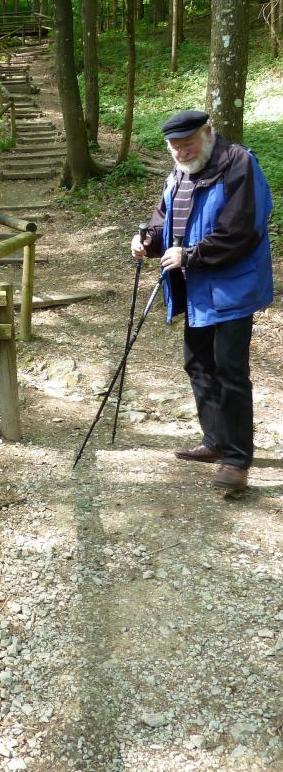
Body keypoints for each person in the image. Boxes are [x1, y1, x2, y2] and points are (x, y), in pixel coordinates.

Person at [131, 110, 274, 498]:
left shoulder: (239, 164)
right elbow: (165, 218)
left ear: (208, 133)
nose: (180, 152)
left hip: (232, 288)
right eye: (174, 147)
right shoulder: (179, 172)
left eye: (187, 144)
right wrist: (147, 239)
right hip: (196, 290)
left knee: (230, 369)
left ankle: (237, 459)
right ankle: (215, 441)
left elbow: (243, 229)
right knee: (198, 363)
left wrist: (190, 255)